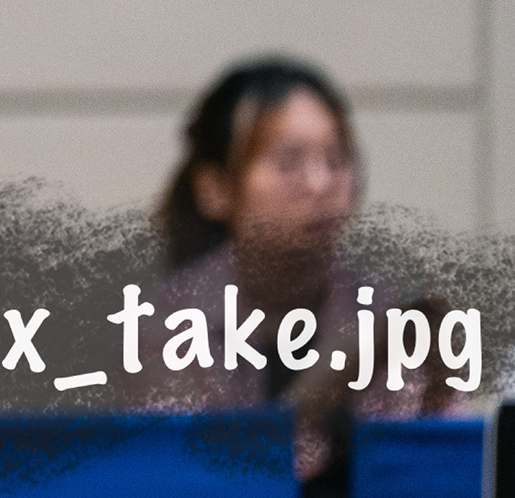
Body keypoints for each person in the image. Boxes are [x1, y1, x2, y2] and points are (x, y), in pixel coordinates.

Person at [140, 55, 451, 495]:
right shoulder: (165, 322)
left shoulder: (381, 306)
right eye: (288, 163)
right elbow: (207, 485)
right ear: (216, 190)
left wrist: (439, 404)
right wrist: (327, 383)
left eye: (337, 159)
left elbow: (429, 477)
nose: (321, 184)